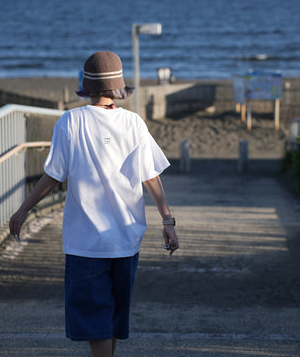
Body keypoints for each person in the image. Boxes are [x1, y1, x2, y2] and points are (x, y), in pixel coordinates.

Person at [9, 51, 179, 357]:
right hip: (127, 239)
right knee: (112, 317)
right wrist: (168, 222)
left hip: (85, 242)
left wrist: (24, 209)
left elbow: (52, 176)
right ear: (118, 88)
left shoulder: (70, 122)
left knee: (94, 318)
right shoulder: (133, 123)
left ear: (86, 85)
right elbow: (151, 177)